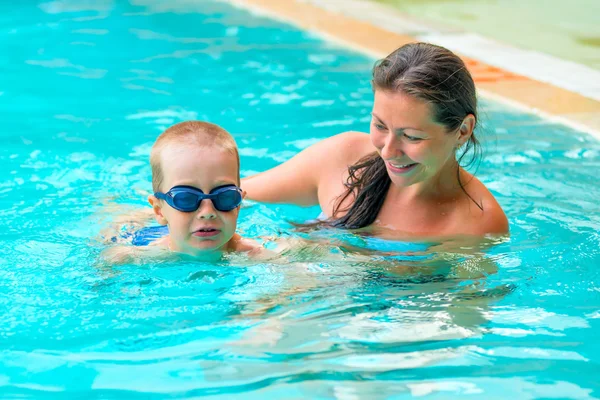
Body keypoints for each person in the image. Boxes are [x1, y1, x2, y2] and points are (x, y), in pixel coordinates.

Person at [242, 42, 508, 238]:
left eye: (411, 136)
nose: (388, 151)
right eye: (380, 125)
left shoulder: (477, 224)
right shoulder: (344, 156)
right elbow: (231, 196)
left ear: (463, 130)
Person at [102, 120, 260, 263]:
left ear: (239, 205)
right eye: (185, 198)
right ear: (159, 211)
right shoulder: (141, 254)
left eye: (226, 197)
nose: (207, 212)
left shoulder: (255, 254)